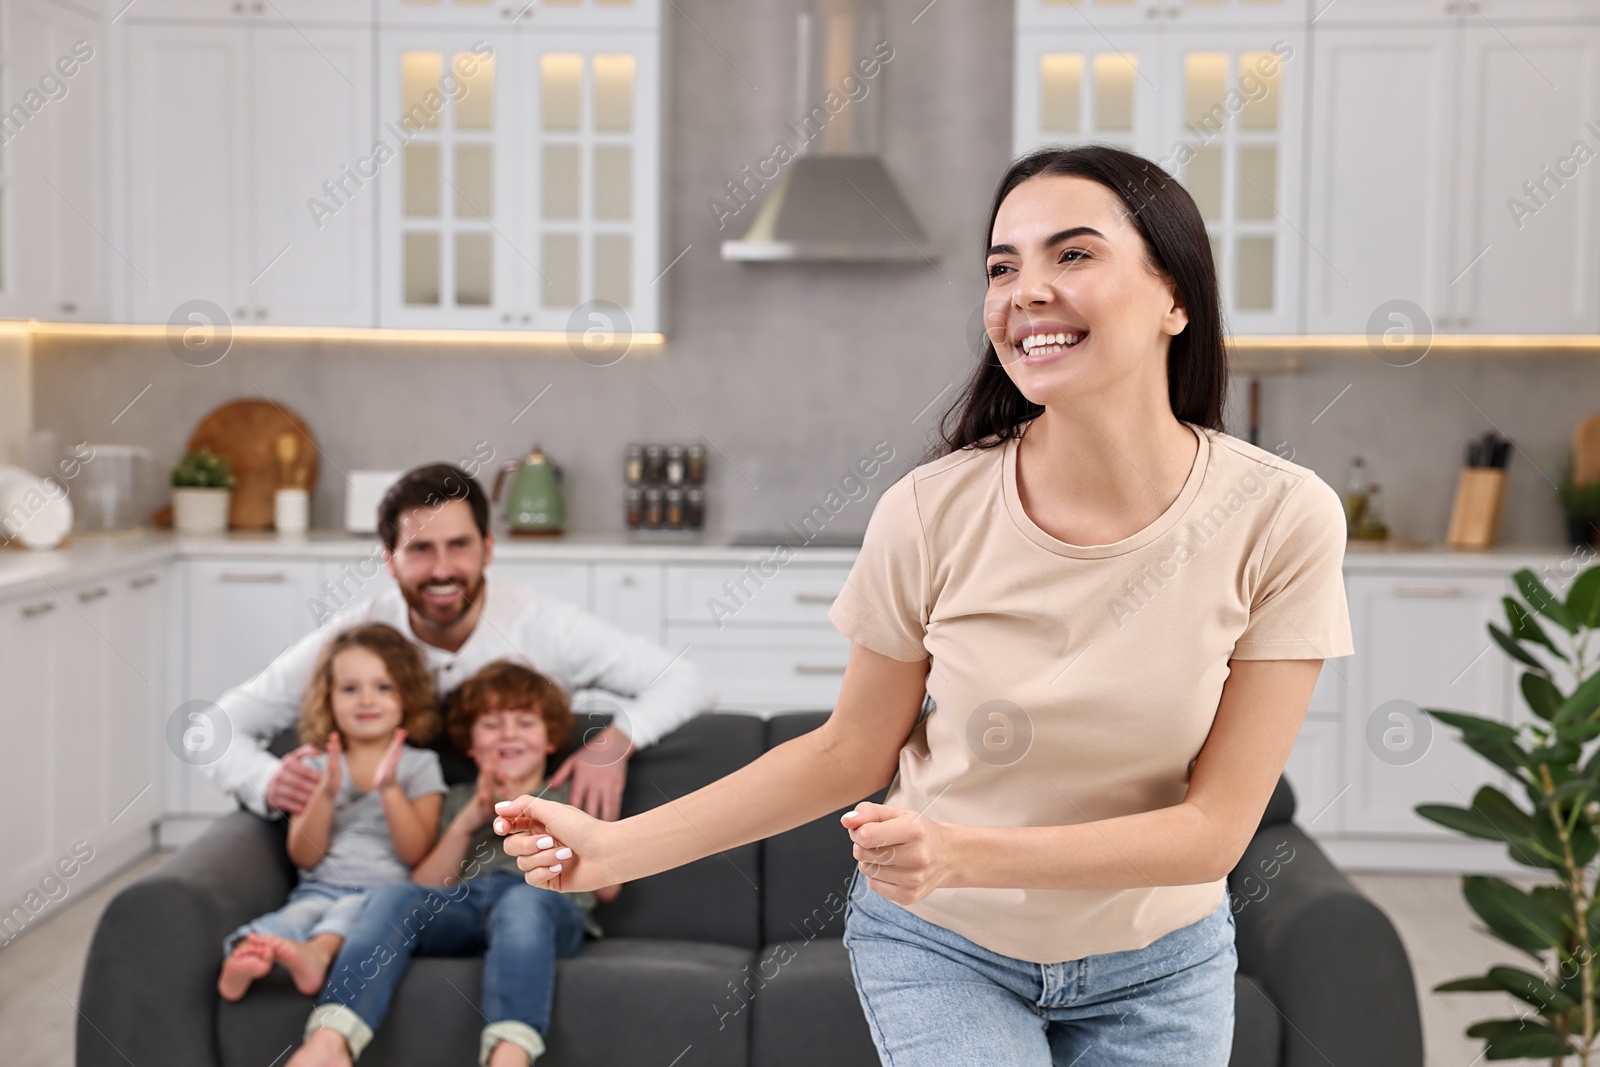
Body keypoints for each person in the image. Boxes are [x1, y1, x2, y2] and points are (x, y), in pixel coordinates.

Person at [496, 144, 1355, 1067]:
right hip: (944, 945)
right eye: (1001, 265)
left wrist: (964, 853)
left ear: (1175, 296)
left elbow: (1212, 832)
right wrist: (617, 848)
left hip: (1162, 963)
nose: (1025, 290)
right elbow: (847, 750)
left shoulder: (1279, 515)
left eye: (1072, 254)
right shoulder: (931, 508)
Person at [201, 462, 718, 824]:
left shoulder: (547, 625)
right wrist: (267, 782)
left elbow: (686, 680)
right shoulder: (355, 640)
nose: (443, 569)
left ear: (488, 548)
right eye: (421, 550)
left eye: (459, 546)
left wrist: (614, 743)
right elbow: (212, 728)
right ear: (388, 560)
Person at [286, 659, 619, 1067]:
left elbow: (608, 886)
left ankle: (510, 1055)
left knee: (521, 901)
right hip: (463, 907)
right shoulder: (458, 799)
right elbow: (425, 882)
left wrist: (536, 822)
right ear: (470, 745)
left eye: (525, 723)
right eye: (492, 725)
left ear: (550, 740)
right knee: (393, 896)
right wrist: (468, 822)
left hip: (545, 910)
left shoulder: (572, 797)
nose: (509, 734)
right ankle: (329, 1041)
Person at [217, 623, 445, 1002]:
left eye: (383, 687)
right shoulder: (317, 766)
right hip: (319, 888)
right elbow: (304, 855)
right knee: (293, 918)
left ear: (408, 695)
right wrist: (324, 793)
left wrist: (389, 789)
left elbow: (416, 853)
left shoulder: (420, 766)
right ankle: (246, 955)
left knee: (350, 913)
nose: (366, 700)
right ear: (329, 698)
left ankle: (317, 954)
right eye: (350, 689)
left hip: (383, 895)